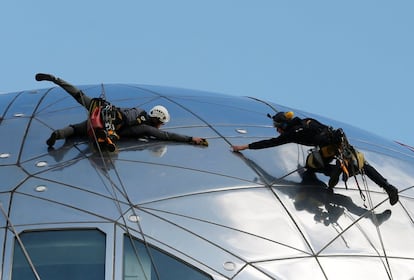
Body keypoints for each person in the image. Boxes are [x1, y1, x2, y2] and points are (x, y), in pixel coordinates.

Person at [232, 111, 399, 206]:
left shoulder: (291, 133)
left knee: (311, 165)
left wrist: (246, 147)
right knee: (362, 164)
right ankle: (387, 186)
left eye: (277, 127)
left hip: (326, 149)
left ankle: (335, 170)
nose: (277, 131)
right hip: (339, 142)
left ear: (283, 126)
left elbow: (271, 143)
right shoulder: (307, 121)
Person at [35, 73, 208, 148]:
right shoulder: (146, 128)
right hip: (107, 127)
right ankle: (105, 139)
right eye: (161, 123)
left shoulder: (137, 110)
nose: (161, 127)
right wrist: (191, 139)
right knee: (97, 134)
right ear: (158, 120)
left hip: (101, 112)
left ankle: (56, 80)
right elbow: (166, 136)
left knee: (79, 100)